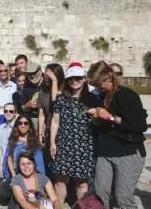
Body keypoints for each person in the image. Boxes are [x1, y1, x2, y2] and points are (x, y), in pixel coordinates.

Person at [87, 61, 147, 209]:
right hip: (105, 152)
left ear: (109, 76)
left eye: (98, 83)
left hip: (128, 153)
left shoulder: (127, 95)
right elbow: (105, 126)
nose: (97, 87)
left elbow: (140, 126)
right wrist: (96, 119)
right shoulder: (101, 97)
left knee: (123, 198)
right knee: (101, 193)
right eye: (94, 84)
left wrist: (110, 117)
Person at [49, 64, 100, 207]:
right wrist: (53, 142)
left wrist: (96, 116)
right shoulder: (61, 99)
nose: (74, 81)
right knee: (60, 180)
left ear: (84, 79)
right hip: (64, 143)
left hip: (84, 145)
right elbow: (55, 121)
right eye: (71, 78)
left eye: (78, 78)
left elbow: (98, 123)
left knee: (81, 182)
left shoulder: (92, 99)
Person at [0, 114, 45, 207]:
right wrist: (14, 176)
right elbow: (9, 158)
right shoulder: (13, 140)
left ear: (29, 125)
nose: (23, 126)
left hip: (29, 174)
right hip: (16, 173)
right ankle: (14, 193)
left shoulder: (34, 142)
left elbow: (39, 164)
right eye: (20, 123)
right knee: (2, 194)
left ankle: (17, 197)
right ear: (17, 125)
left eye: (26, 123)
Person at [36, 64, 65, 182]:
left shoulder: (65, 91)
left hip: (63, 130)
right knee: (49, 160)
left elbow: (55, 102)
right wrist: (40, 135)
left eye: (50, 74)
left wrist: (54, 82)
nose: (46, 77)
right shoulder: (42, 93)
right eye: (46, 74)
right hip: (49, 130)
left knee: (60, 162)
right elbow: (42, 115)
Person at [20, 63, 44, 132]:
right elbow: (23, 107)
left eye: (34, 72)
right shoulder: (26, 87)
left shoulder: (46, 84)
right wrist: (27, 105)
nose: (32, 75)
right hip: (32, 120)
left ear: (40, 72)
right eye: (30, 73)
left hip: (46, 120)